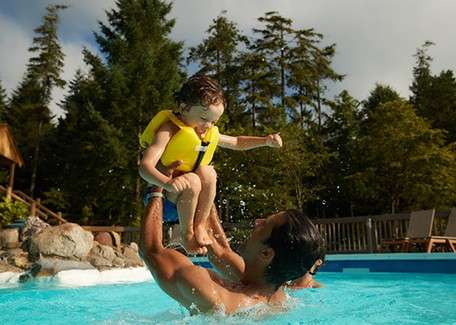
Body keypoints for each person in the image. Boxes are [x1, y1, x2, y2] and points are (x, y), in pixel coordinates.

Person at [139, 170, 326, 315]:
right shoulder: (275, 294)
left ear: (266, 254)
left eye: (264, 224)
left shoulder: (213, 295)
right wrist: (205, 190)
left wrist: (155, 187)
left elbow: (152, 252)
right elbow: (221, 252)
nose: (257, 222)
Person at [139, 75, 282, 254]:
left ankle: (199, 226)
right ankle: (186, 234)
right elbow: (145, 166)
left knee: (208, 172)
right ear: (183, 108)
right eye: (203, 118)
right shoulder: (169, 130)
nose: (208, 125)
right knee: (192, 179)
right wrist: (166, 182)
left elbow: (237, 142)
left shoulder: (206, 133)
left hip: (192, 201)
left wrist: (265, 141)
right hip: (166, 200)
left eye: (213, 121)